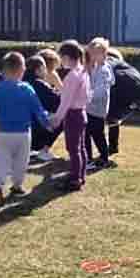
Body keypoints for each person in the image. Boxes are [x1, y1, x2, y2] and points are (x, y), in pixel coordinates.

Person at [0, 52, 50, 205]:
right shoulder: (27, 89)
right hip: (23, 134)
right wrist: (47, 123)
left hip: (3, 134)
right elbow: (38, 109)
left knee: (1, 161)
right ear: (22, 70)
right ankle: (17, 186)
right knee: (21, 162)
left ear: (4, 70)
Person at [49, 40, 90, 191]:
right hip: (81, 113)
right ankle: (80, 175)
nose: (60, 62)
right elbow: (83, 95)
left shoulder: (72, 76)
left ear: (66, 57)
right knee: (80, 147)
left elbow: (66, 101)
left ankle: (74, 179)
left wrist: (57, 118)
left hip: (73, 115)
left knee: (73, 149)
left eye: (61, 58)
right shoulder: (83, 72)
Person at [105, 47, 140, 159]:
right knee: (113, 119)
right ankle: (112, 147)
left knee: (110, 117)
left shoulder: (109, 63)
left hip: (128, 94)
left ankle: (109, 148)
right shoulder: (125, 68)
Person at [83, 37, 115, 171]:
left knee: (97, 134)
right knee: (88, 133)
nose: (93, 56)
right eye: (91, 53)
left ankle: (101, 157)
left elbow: (102, 90)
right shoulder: (95, 67)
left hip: (98, 108)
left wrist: (87, 96)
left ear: (104, 54)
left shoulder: (104, 70)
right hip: (90, 107)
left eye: (96, 53)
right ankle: (91, 158)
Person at [26, 55, 62, 162]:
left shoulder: (20, 81)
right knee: (63, 118)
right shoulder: (39, 84)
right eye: (44, 68)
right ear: (38, 70)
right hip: (34, 130)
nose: (46, 71)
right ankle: (43, 150)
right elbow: (56, 103)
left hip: (15, 131)